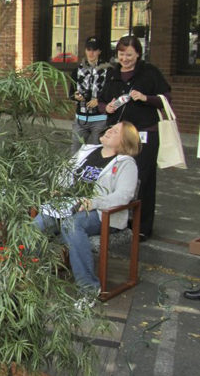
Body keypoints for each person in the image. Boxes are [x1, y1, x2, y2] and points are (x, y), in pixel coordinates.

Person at [33, 121, 141, 305]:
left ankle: (89, 289)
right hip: (67, 206)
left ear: (124, 143)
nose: (108, 131)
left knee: (72, 224)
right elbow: (63, 174)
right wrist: (57, 188)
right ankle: (26, 272)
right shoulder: (87, 150)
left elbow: (124, 196)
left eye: (115, 132)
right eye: (111, 128)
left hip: (102, 213)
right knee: (36, 225)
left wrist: (93, 202)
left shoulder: (126, 163)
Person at [99, 35, 171, 241]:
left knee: (144, 178)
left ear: (138, 53)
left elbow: (166, 99)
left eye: (129, 54)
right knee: (114, 175)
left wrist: (146, 98)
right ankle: (117, 221)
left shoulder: (150, 73)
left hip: (144, 133)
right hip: (116, 133)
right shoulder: (112, 73)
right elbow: (103, 101)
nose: (125, 58)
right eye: (121, 54)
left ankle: (142, 227)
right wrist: (108, 107)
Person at [69, 36, 111, 155]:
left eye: (94, 49)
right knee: (75, 152)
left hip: (100, 119)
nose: (91, 53)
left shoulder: (108, 70)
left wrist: (99, 100)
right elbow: (71, 93)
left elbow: (111, 92)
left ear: (99, 51)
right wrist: (76, 96)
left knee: (97, 153)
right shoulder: (77, 70)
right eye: (88, 49)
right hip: (81, 118)